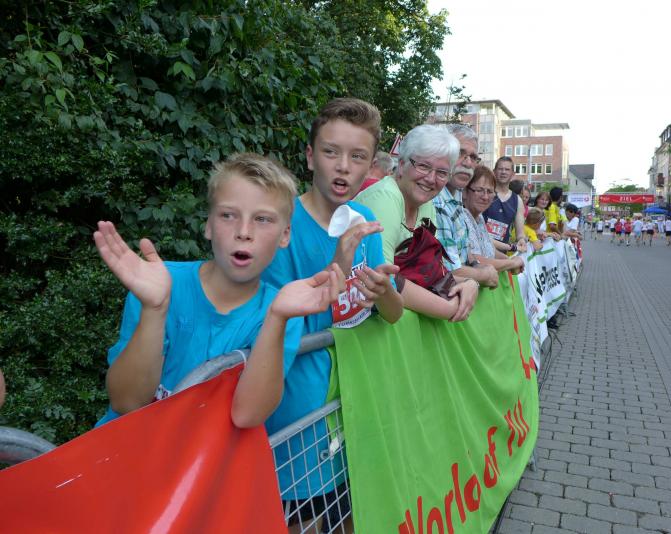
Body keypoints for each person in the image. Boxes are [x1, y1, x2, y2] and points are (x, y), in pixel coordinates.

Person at [95, 153, 342, 430]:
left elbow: (247, 415)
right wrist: (154, 310)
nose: (244, 232)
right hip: (127, 449)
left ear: (285, 235)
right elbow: (126, 402)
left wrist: (277, 318)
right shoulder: (160, 284)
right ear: (209, 225)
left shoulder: (281, 310)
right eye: (228, 215)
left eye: (262, 219)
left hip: (199, 457)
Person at [261, 99, 403, 529]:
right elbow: (276, 324)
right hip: (298, 417)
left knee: (347, 517)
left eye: (357, 156)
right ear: (310, 156)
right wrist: (338, 266)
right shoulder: (279, 223)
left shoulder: (366, 219)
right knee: (297, 519)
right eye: (330, 152)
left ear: (370, 166)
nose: (343, 167)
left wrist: (383, 293)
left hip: (354, 408)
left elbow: (392, 314)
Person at [356, 124, 480, 322]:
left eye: (442, 173)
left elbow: (430, 272)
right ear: (402, 165)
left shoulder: (426, 203)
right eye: (423, 166)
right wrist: (447, 308)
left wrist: (470, 283)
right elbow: (382, 279)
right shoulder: (385, 198)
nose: (431, 179)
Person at [433, 124, 499, 288]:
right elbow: (448, 270)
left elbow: (463, 248)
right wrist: (484, 274)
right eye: (460, 153)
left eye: (473, 157)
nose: (468, 163)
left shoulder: (456, 194)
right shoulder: (435, 200)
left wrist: (476, 265)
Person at [462, 166, 530, 268]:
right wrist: (511, 263)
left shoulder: (479, 218)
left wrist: (507, 260)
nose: (485, 197)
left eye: (490, 192)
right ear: (465, 192)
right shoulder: (462, 219)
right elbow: (476, 260)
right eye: (479, 190)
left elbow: (489, 250)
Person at [484, 157, 527, 252]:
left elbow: (520, 233)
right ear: (494, 172)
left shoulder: (517, 200)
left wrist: (521, 239)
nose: (503, 172)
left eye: (507, 169)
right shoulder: (485, 194)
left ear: (513, 174)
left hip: (503, 253)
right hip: (482, 251)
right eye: (500, 169)